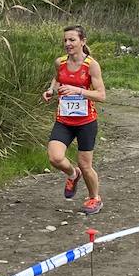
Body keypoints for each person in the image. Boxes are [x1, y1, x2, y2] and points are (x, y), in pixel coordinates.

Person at [42, 24, 106, 215]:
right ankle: (72, 173)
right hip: (64, 121)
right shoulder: (60, 62)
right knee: (55, 158)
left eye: (72, 40)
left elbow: (102, 95)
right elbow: (58, 78)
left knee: (86, 166)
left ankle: (95, 198)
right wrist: (51, 90)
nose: (68, 44)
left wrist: (77, 90)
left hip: (86, 122)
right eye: (65, 40)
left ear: (82, 41)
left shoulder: (91, 65)